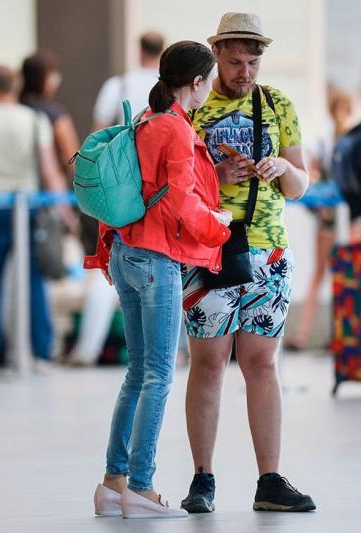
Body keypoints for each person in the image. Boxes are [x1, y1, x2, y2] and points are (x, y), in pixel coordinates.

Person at [86, 41, 232, 519]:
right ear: (197, 83)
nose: (211, 88)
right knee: (159, 375)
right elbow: (179, 202)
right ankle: (142, 488)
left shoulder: (146, 121)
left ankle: (113, 483)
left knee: (137, 372)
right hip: (157, 260)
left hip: (126, 253)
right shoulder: (175, 128)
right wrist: (219, 226)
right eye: (210, 80)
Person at [180, 12, 315, 514]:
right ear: (216, 54)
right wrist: (215, 176)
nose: (245, 72)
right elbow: (175, 186)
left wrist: (283, 168)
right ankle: (202, 477)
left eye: (253, 63)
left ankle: (269, 479)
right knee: (209, 362)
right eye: (235, 62)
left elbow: (301, 185)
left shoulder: (278, 104)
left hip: (268, 250)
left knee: (262, 363)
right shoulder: (192, 107)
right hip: (208, 248)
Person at [65, 32, 165, 367]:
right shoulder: (168, 87)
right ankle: (171, 350)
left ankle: (87, 349)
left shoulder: (118, 85)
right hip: (160, 188)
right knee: (168, 265)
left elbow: (97, 137)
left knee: (109, 260)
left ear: (139, 51)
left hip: (120, 188)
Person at [0, 66, 69, 365]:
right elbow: (49, 168)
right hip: (28, 207)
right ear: (15, 86)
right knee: (34, 278)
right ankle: (40, 347)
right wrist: (65, 210)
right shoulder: (34, 120)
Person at [286, 88, 354, 351]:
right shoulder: (339, 140)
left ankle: (311, 334)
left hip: (332, 216)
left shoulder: (330, 141)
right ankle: (324, 335)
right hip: (339, 216)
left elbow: (311, 174)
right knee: (334, 274)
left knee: (328, 274)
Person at [20, 51, 80, 175]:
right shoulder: (55, 115)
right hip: (50, 183)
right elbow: (73, 159)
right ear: (43, 78)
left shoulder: (18, 108)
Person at [92, 31, 164, 130]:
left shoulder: (118, 83)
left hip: (128, 138)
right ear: (162, 52)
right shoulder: (171, 86)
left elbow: (100, 126)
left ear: (141, 52)